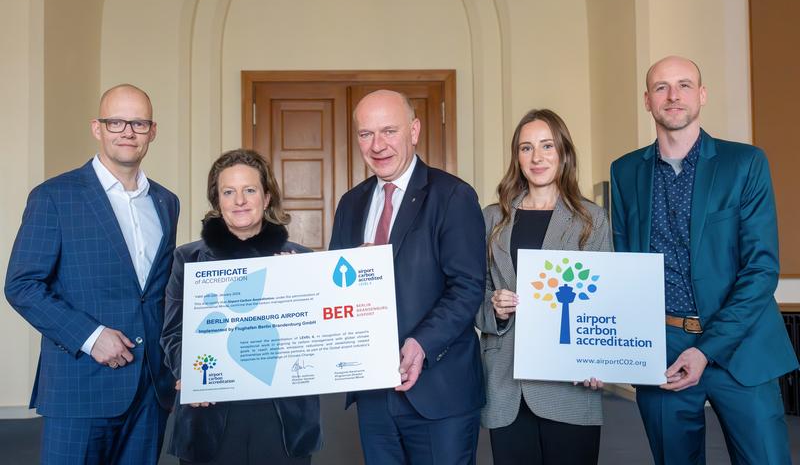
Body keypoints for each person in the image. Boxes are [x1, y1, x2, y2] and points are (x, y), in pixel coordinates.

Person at [610, 55, 798, 464]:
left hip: (741, 344)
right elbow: (624, 267)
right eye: (661, 87)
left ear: (702, 94)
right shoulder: (625, 172)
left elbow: (761, 269)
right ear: (647, 100)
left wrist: (706, 349)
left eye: (684, 85)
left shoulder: (745, 163)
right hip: (662, 349)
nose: (673, 95)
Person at [5, 84, 180, 464]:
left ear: (152, 131)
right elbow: (22, 285)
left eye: (138, 122)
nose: (127, 131)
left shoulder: (166, 202)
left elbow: (160, 292)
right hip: (80, 387)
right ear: (97, 128)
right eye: (116, 121)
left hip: (150, 391)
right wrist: (91, 336)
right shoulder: (54, 196)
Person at [328, 90, 486, 464]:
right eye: (366, 134)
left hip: (439, 391)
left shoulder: (453, 196)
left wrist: (421, 344)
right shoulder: (350, 204)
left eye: (389, 131)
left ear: (414, 131)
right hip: (374, 396)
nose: (377, 145)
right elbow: (335, 288)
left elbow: (466, 288)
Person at [160, 148, 322, 465]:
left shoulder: (301, 260)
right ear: (217, 201)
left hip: (282, 417)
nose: (240, 201)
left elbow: (318, 335)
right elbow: (172, 333)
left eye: (249, 190)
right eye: (228, 192)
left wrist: (297, 286)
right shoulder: (187, 259)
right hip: (209, 413)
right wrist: (192, 376)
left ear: (266, 196)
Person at [475, 109, 611, 465]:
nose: (537, 157)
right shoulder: (492, 218)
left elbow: (605, 299)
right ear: (516, 157)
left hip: (570, 383)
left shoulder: (590, 219)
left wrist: (600, 358)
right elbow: (473, 293)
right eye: (526, 148)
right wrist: (494, 308)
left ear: (563, 152)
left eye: (547, 145)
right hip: (507, 383)